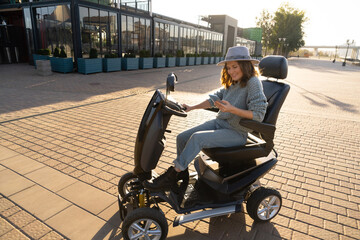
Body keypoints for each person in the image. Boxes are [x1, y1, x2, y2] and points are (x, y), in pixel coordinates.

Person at [145, 46, 268, 191]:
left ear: (245, 65)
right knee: (182, 137)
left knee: (197, 138)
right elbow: (214, 99)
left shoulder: (253, 82)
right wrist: (191, 107)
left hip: (237, 132)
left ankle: (173, 174)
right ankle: (181, 174)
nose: (231, 71)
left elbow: (259, 115)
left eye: (234, 67)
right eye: (228, 68)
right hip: (219, 123)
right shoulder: (233, 82)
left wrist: (232, 109)